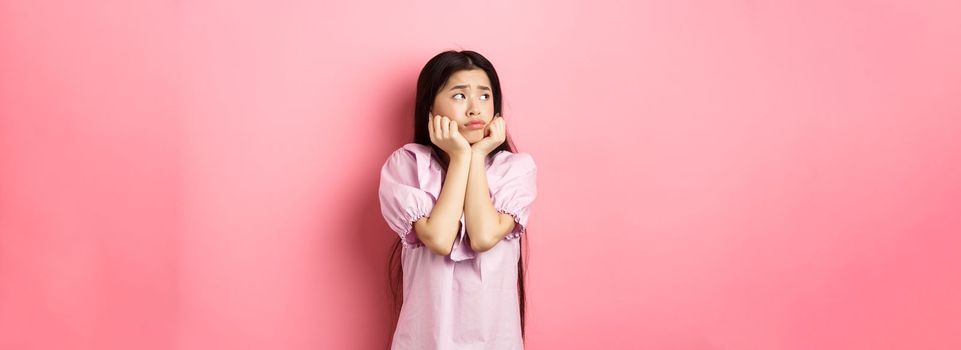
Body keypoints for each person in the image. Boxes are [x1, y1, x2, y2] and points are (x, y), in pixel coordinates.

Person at [379, 50, 537, 349]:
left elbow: (482, 236)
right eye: (459, 96)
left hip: (495, 340)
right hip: (427, 340)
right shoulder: (407, 165)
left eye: (485, 96)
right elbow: (439, 239)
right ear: (429, 106)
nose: (475, 108)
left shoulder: (515, 169)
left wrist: (476, 155)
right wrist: (460, 156)